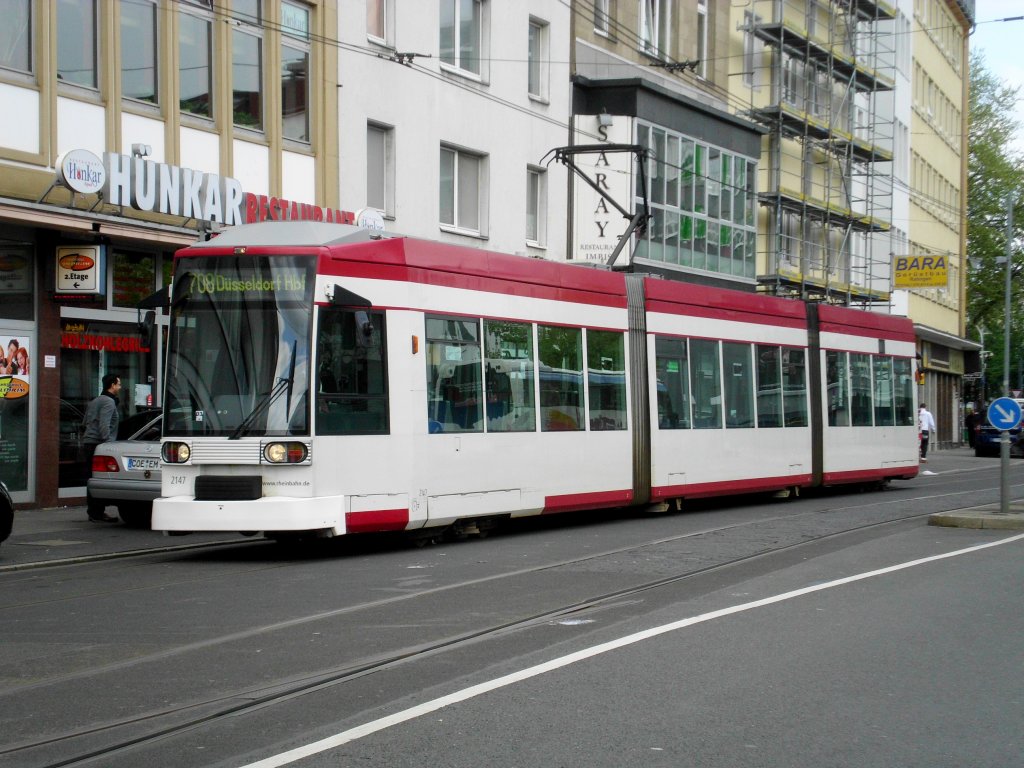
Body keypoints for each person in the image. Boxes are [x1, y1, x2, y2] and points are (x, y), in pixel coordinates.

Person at [82, 374, 122, 522]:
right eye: (118, 384)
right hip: (99, 445)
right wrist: (107, 444)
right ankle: (96, 512)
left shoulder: (95, 400)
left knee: (91, 478)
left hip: (89, 442)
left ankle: (94, 511)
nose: (120, 387)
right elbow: (104, 425)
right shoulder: (108, 402)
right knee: (98, 478)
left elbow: (85, 421)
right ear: (112, 385)